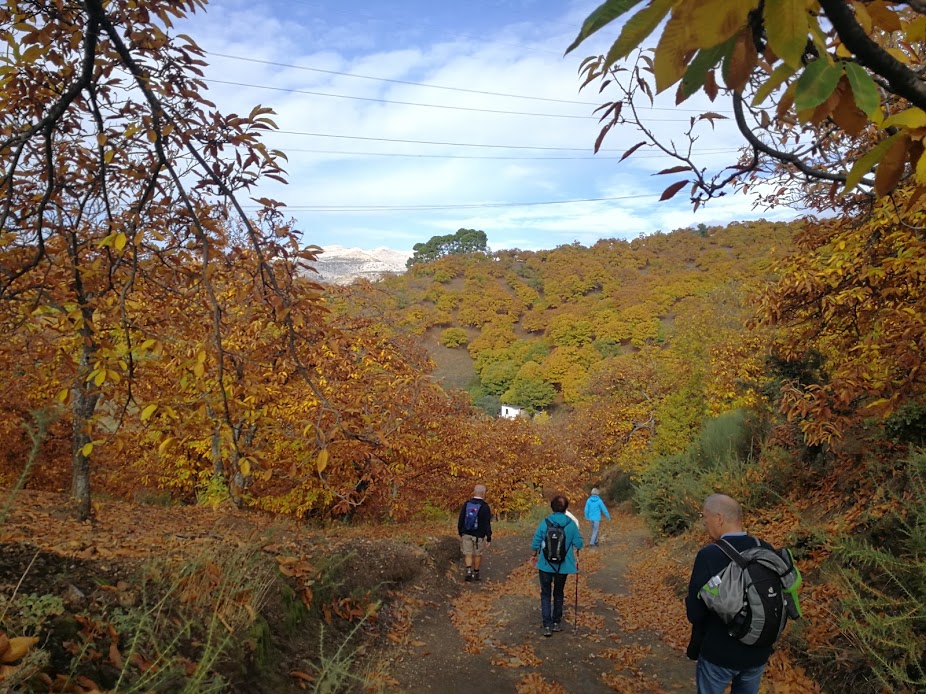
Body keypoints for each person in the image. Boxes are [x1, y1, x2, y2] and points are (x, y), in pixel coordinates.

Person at [686, 494, 776, 694]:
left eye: (705, 517)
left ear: (719, 518)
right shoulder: (766, 549)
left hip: (720, 653)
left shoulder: (709, 555)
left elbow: (695, 613)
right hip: (758, 652)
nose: (704, 522)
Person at [530, 495, 583, 637]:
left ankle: (546, 625)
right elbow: (579, 544)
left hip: (545, 564)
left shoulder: (545, 522)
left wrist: (534, 554)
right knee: (558, 593)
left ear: (552, 507)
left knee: (545, 593)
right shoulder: (571, 524)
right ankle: (556, 623)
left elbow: (535, 542)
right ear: (566, 508)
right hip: (563, 566)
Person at [457, 484, 492, 582]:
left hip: (466, 533)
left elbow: (461, 518)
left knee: (468, 553)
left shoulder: (467, 504)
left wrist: (460, 531)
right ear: (483, 493)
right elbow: (486, 523)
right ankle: (476, 573)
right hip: (478, 535)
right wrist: (488, 536)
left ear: (474, 492)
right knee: (477, 554)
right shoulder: (485, 506)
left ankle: (468, 571)